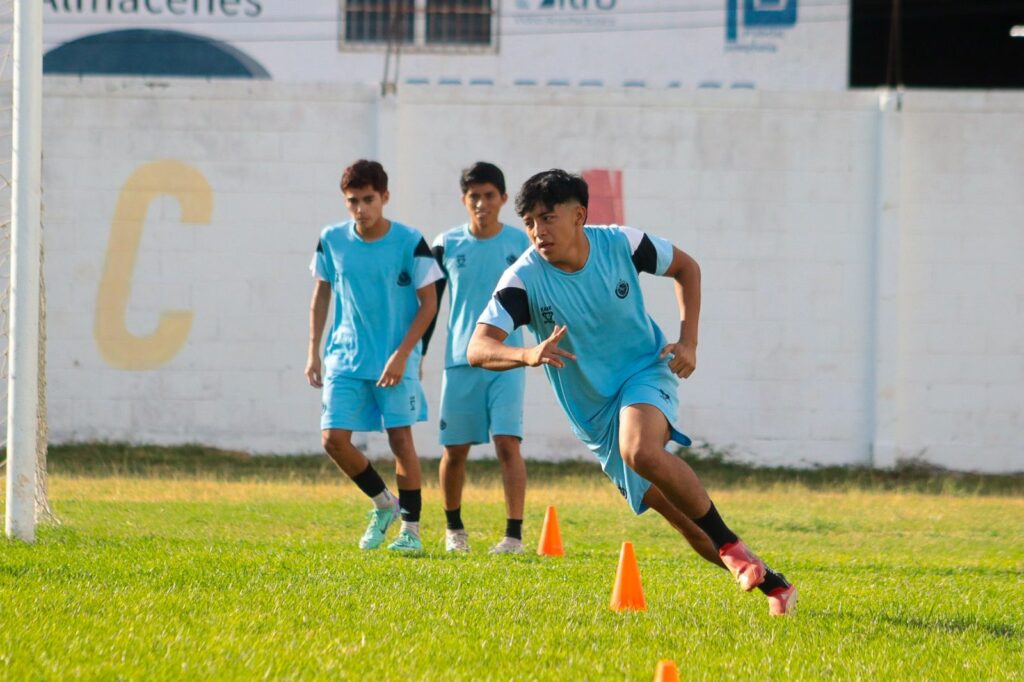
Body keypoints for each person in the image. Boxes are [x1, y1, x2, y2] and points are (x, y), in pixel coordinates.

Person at [467, 169, 797, 615]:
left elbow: (687, 268)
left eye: (547, 218)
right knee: (687, 523)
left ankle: (733, 547)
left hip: (645, 372)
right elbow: (478, 347)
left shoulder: (621, 244)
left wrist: (689, 342)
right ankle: (773, 585)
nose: (537, 231)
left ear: (579, 215)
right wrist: (528, 354)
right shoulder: (523, 278)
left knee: (639, 449)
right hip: (595, 417)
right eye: (529, 222)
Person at [306, 159, 443, 553]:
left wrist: (403, 355)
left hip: (393, 360)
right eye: (353, 201)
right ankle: (384, 504)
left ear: (385, 197)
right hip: (345, 359)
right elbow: (321, 294)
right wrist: (313, 351)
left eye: (369, 199)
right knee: (333, 440)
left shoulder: (409, 240)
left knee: (400, 440)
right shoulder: (331, 239)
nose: (361, 208)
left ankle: (411, 532)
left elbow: (429, 303)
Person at [424, 162, 532, 554]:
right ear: (463, 200)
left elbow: (540, 294)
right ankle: (454, 531)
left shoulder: (521, 244)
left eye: (489, 195)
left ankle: (514, 536)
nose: (482, 203)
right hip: (461, 361)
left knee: (508, 444)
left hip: (508, 360)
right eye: (474, 196)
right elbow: (429, 305)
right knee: (454, 450)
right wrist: (418, 353)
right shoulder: (446, 244)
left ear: (503, 199)